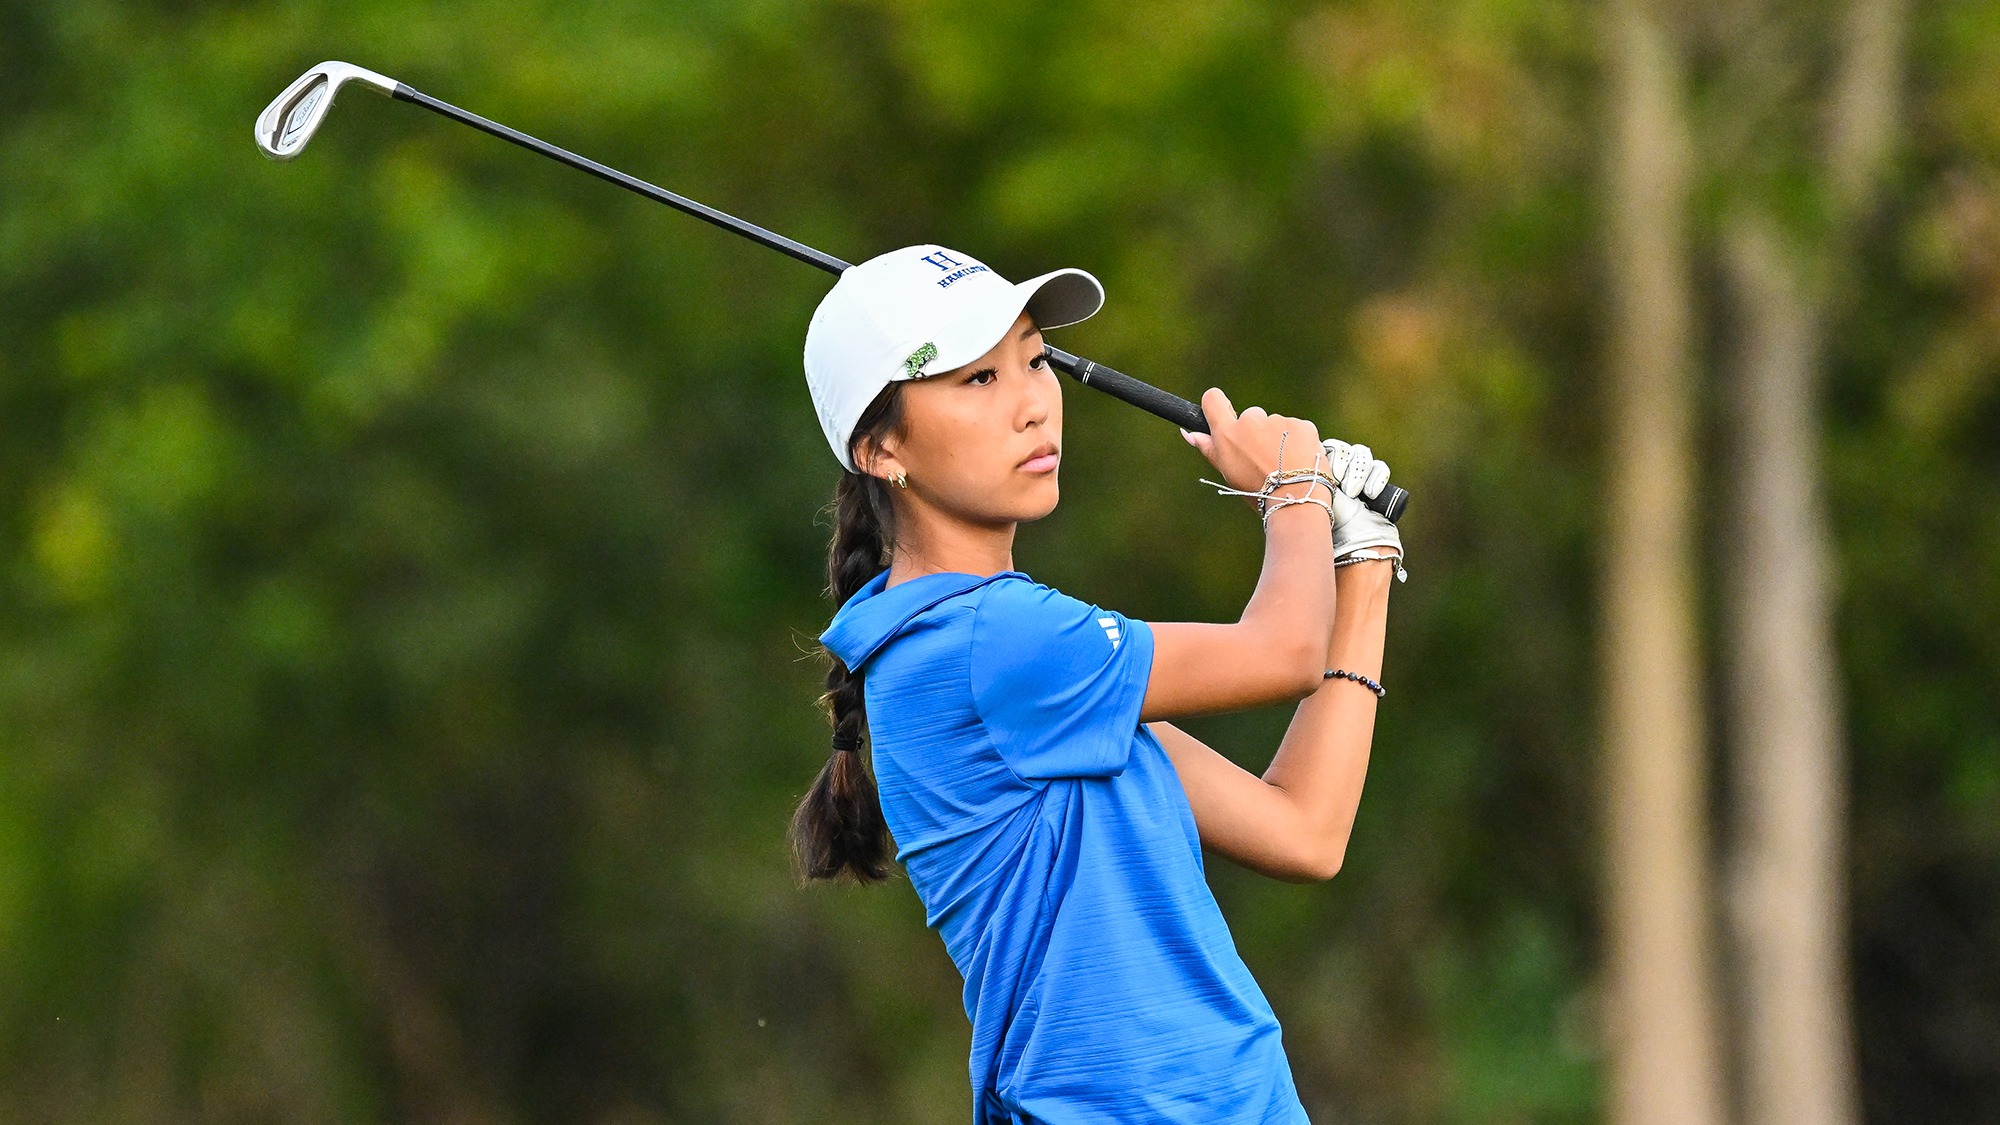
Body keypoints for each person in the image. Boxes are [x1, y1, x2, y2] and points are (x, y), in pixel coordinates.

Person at [789, 244, 1402, 1124]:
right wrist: (1294, 486)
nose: (1033, 404)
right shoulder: (988, 641)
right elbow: (1282, 651)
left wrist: (1363, 561)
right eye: (976, 381)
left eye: (1034, 360)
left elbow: (1304, 829)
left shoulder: (1024, 659)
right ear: (882, 448)